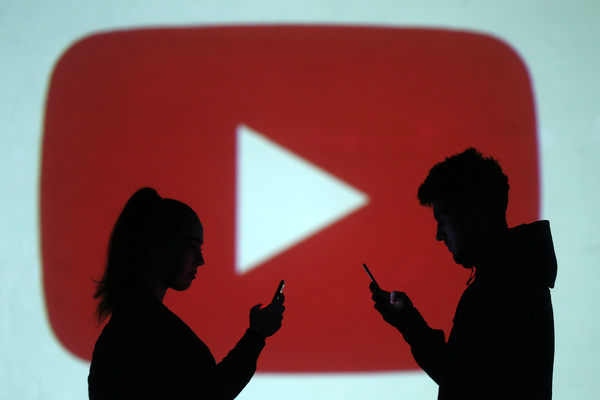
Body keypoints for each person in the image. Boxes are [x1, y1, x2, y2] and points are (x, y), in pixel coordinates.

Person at [370, 148, 557, 400]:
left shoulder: (502, 288)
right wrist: (410, 324)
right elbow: (463, 378)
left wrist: (411, 326)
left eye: (443, 220)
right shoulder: (512, 279)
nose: (439, 235)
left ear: (470, 216)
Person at [88, 187, 285, 400]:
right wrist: (256, 336)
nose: (200, 260)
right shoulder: (149, 329)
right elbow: (210, 392)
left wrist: (256, 336)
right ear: (154, 245)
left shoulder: (130, 324)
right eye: (192, 247)